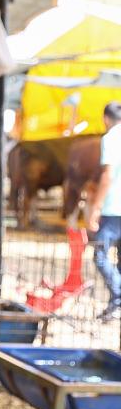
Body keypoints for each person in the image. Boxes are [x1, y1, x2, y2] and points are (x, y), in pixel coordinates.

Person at [89, 101, 121, 320]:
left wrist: (96, 207)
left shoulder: (110, 139)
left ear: (105, 119)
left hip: (112, 209)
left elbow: (108, 175)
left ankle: (118, 295)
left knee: (100, 255)